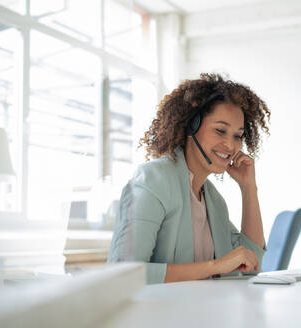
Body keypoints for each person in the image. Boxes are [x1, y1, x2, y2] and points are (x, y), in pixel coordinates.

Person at [108, 73, 271, 284]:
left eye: (237, 136)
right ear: (191, 126)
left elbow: (252, 264)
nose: (230, 146)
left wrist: (249, 188)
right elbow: (122, 275)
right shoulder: (153, 181)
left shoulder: (213, 201)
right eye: (220, 130)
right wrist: (215, 266)